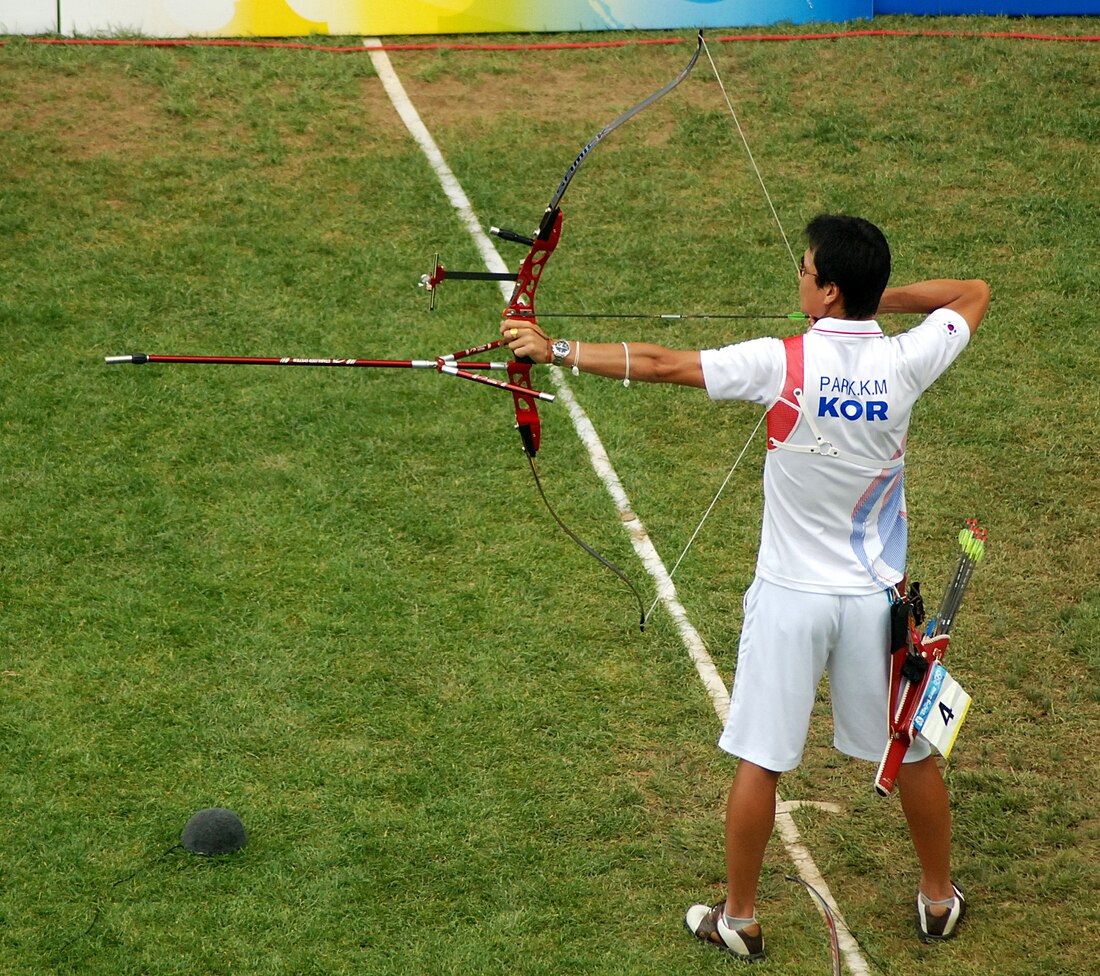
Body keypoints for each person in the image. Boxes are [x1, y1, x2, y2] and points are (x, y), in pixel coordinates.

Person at [502, 214, 990, 962]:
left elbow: (666, 365)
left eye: (806, 271)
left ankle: (741, 916)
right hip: (876, 605)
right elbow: (972, 292)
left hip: (791, 598)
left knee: (762, 757)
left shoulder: (782, 361)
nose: (795, 278)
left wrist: (555, 348)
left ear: (827, 290)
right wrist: (870, 304)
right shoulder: (908, 360)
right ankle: (936, 897)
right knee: (915, 750)